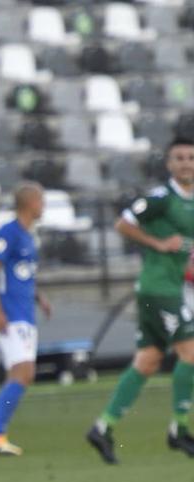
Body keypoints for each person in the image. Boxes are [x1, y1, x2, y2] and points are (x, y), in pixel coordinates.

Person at [88, 137, 194, 463]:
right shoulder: (162, 198)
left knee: (147, 361)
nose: (186, 163)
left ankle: (102, 427)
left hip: (166, 288)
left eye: (191, 157)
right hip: (158, 289)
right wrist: (157, 244)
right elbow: (123, 223)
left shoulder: (188, 202)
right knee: (190, 353)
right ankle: (179, 428)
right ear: (169, 164)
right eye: (179, 158)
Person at [0, 183, 52, 456]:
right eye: (41, 200)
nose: (43, 205)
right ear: (30, 202)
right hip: (10, 315)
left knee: (19, 374)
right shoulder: (9, 232)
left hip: (24, 313)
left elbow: (21, 274)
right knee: (24, 372)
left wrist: (39, 297)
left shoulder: (28, 236)